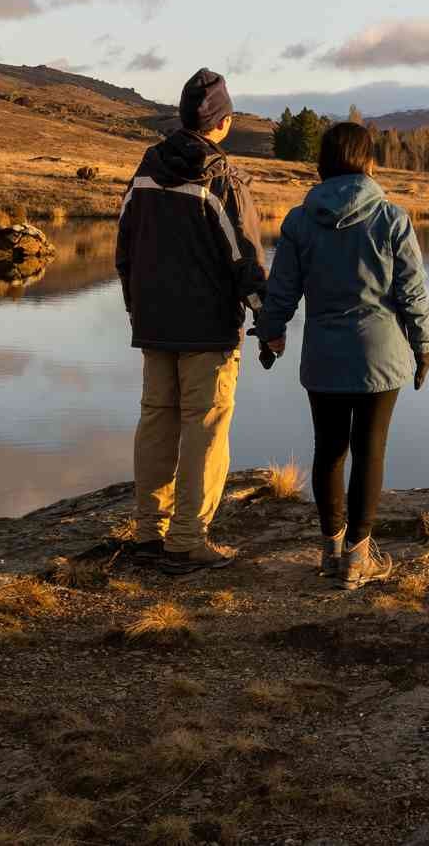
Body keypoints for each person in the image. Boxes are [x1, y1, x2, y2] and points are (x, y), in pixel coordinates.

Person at [255, 121, 429, 589]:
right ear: (368, 163)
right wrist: (423, 345)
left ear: (323, 164)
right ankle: (357, 559)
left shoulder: (298, 221)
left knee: (329, 450)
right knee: (369, 450)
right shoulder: (392, 218)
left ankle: (330, 552)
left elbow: (282, 290)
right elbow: (412, 292)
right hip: (381, 355)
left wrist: (270, 334)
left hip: (323, 356)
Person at [114, 68, 266, 574]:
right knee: (204, 429)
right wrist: (269, 323)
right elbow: (245, 260)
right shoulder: (221, 176)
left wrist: (136, 306)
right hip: (208, 329)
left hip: (154, 324)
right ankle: (187, 541)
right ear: (222, 121)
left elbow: (123, 247)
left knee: (156, 421)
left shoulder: (145, 168)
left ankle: (147, 534)